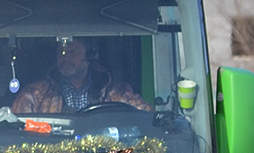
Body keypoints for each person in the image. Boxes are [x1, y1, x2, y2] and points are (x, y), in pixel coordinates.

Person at [11, 38, 151, 114]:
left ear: (89, 56)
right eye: (62, 53)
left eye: (74, 52)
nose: (66, 58)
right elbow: (16, 129)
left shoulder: (117, 92)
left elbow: (146, 116)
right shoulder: (34, 94)